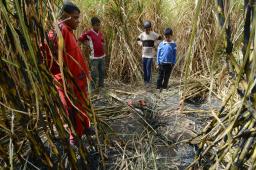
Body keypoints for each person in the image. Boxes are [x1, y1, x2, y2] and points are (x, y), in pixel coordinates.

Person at [43, 2, 95, 145]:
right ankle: (74, 136)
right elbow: (49, 57)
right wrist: (62, 79)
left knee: (82, 104)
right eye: (75, 18)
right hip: (67, 82)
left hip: (79, 80)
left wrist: (86, 73)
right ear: (65, 16)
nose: (78, 21)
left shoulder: (69, 30)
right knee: (70, 108)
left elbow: (76, 56)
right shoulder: (58, 32)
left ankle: (85, 127)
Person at [79, 17, 106, 92]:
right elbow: (80, 38)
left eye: (99, 25)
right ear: (93, 25)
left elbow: (102, 41)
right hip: (94, 57)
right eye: (97, 25)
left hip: (102, 56)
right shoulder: (89, 33)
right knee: (94, 73)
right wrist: (86, 44)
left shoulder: (100, 33)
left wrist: (103, 45)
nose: (98, 27)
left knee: (102, 71)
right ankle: (93, 87)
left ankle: (101, 85)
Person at [137, 20, 161, 87]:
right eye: (146, 29)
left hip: (150, 55)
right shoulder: (142, 34)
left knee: (148, 68)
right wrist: (141, 44)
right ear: (144, 29)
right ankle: (145, 81)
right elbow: (138, 39)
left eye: (148, 29)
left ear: (150, 28)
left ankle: (148, 82)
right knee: (144, 68)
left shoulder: (153, 34)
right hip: (144, 55)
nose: (147, 30)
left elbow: (159, 38)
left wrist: (155, 44)